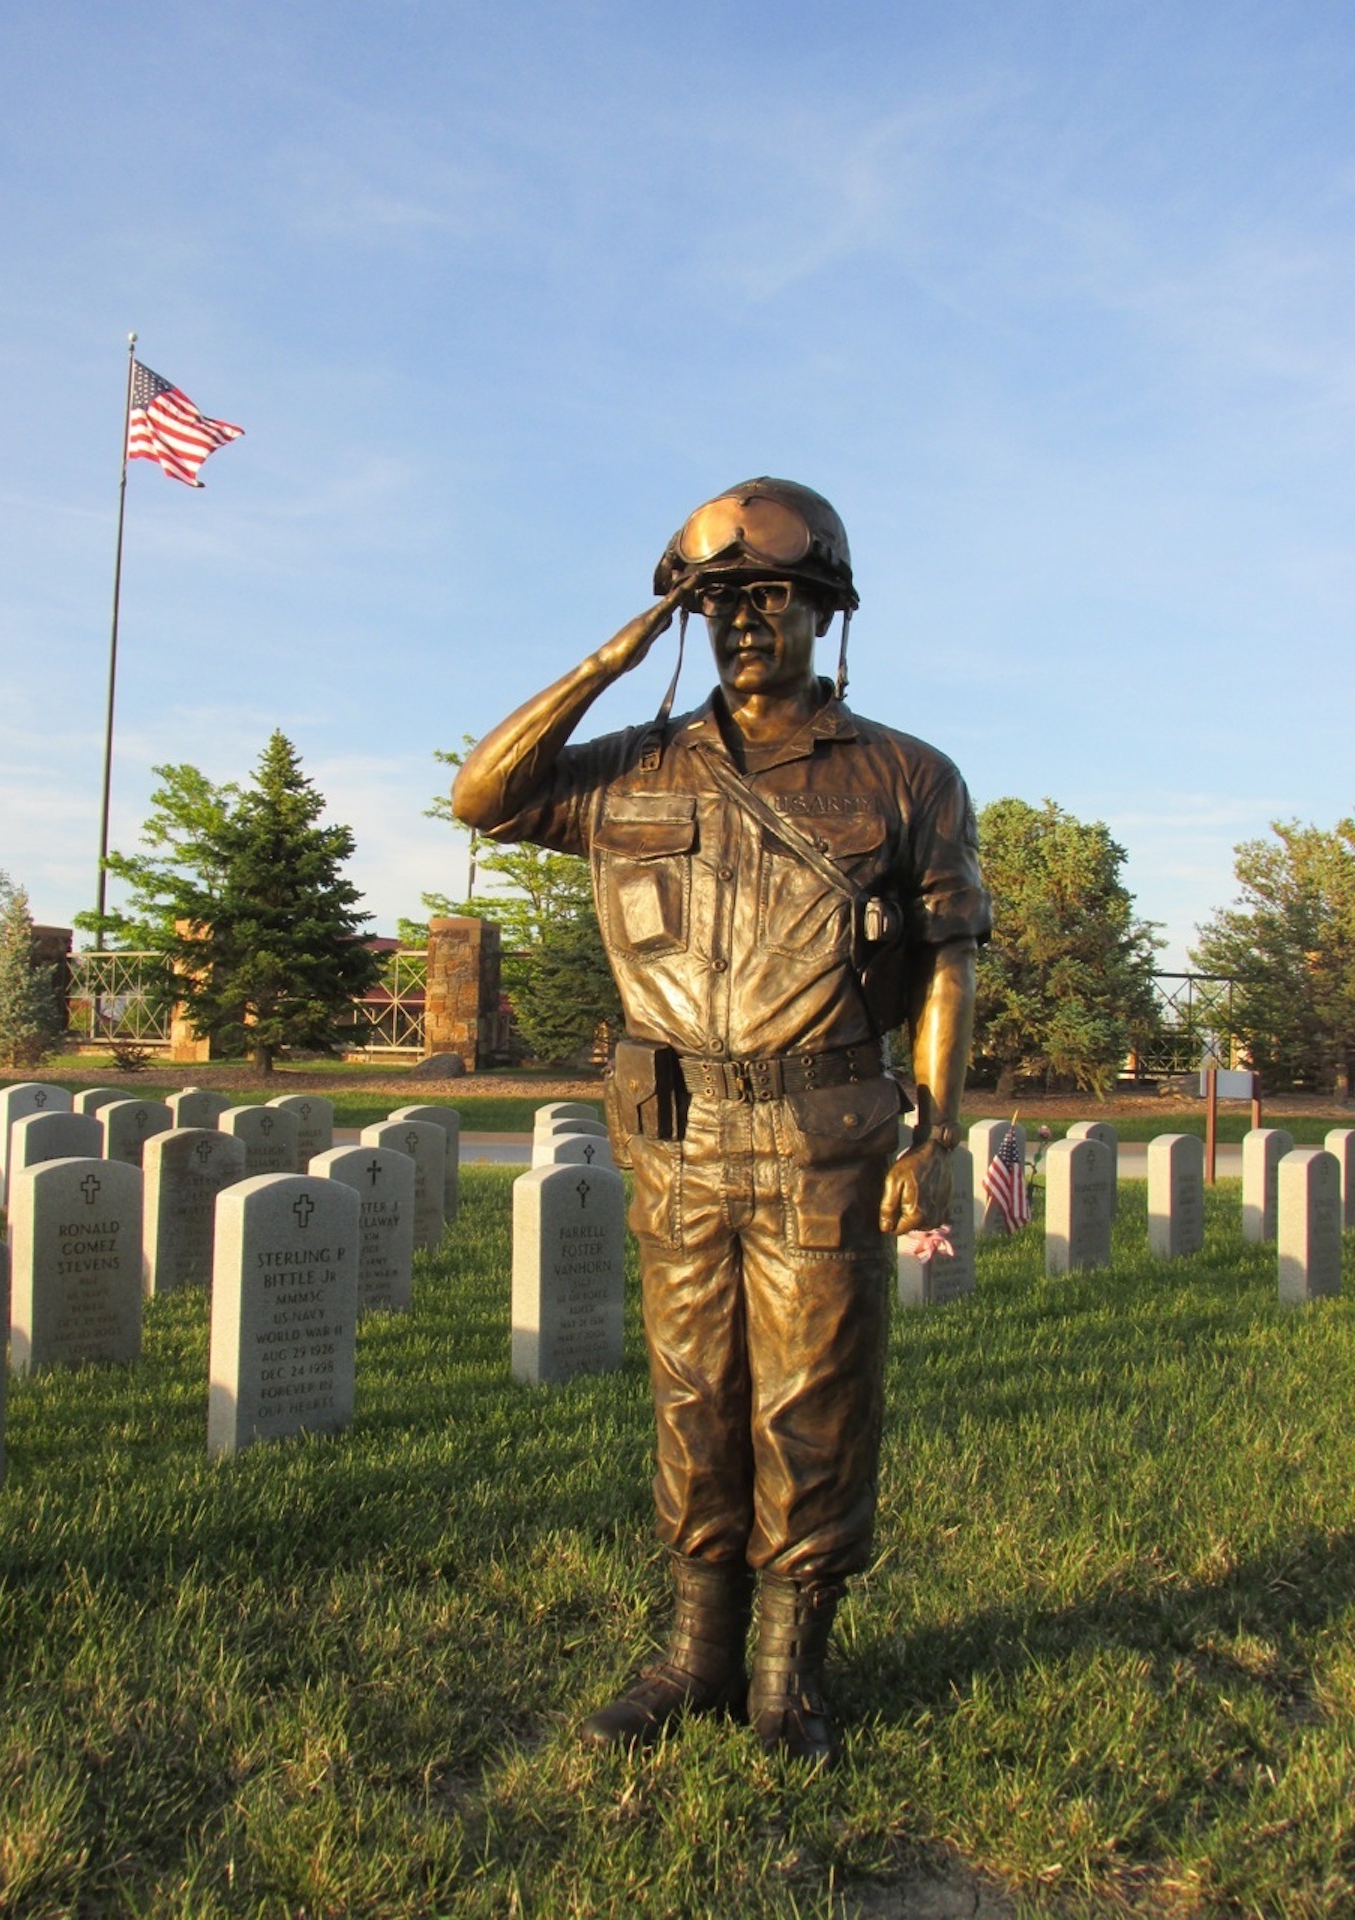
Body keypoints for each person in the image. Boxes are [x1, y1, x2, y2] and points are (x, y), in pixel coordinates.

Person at [452, 478, 990, 1767]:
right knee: (695, 1400)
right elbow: (482, 796)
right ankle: (694, 1655)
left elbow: (953, 959)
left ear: (825, 611)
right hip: (677, 1135)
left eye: (776, 597)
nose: (749, 621)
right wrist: (619, 649)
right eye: (722, 600)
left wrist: (939, 1135)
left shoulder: (907, 775)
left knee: (813, 1404)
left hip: (823, 1134)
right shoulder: (631, 766)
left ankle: (786, 1673)